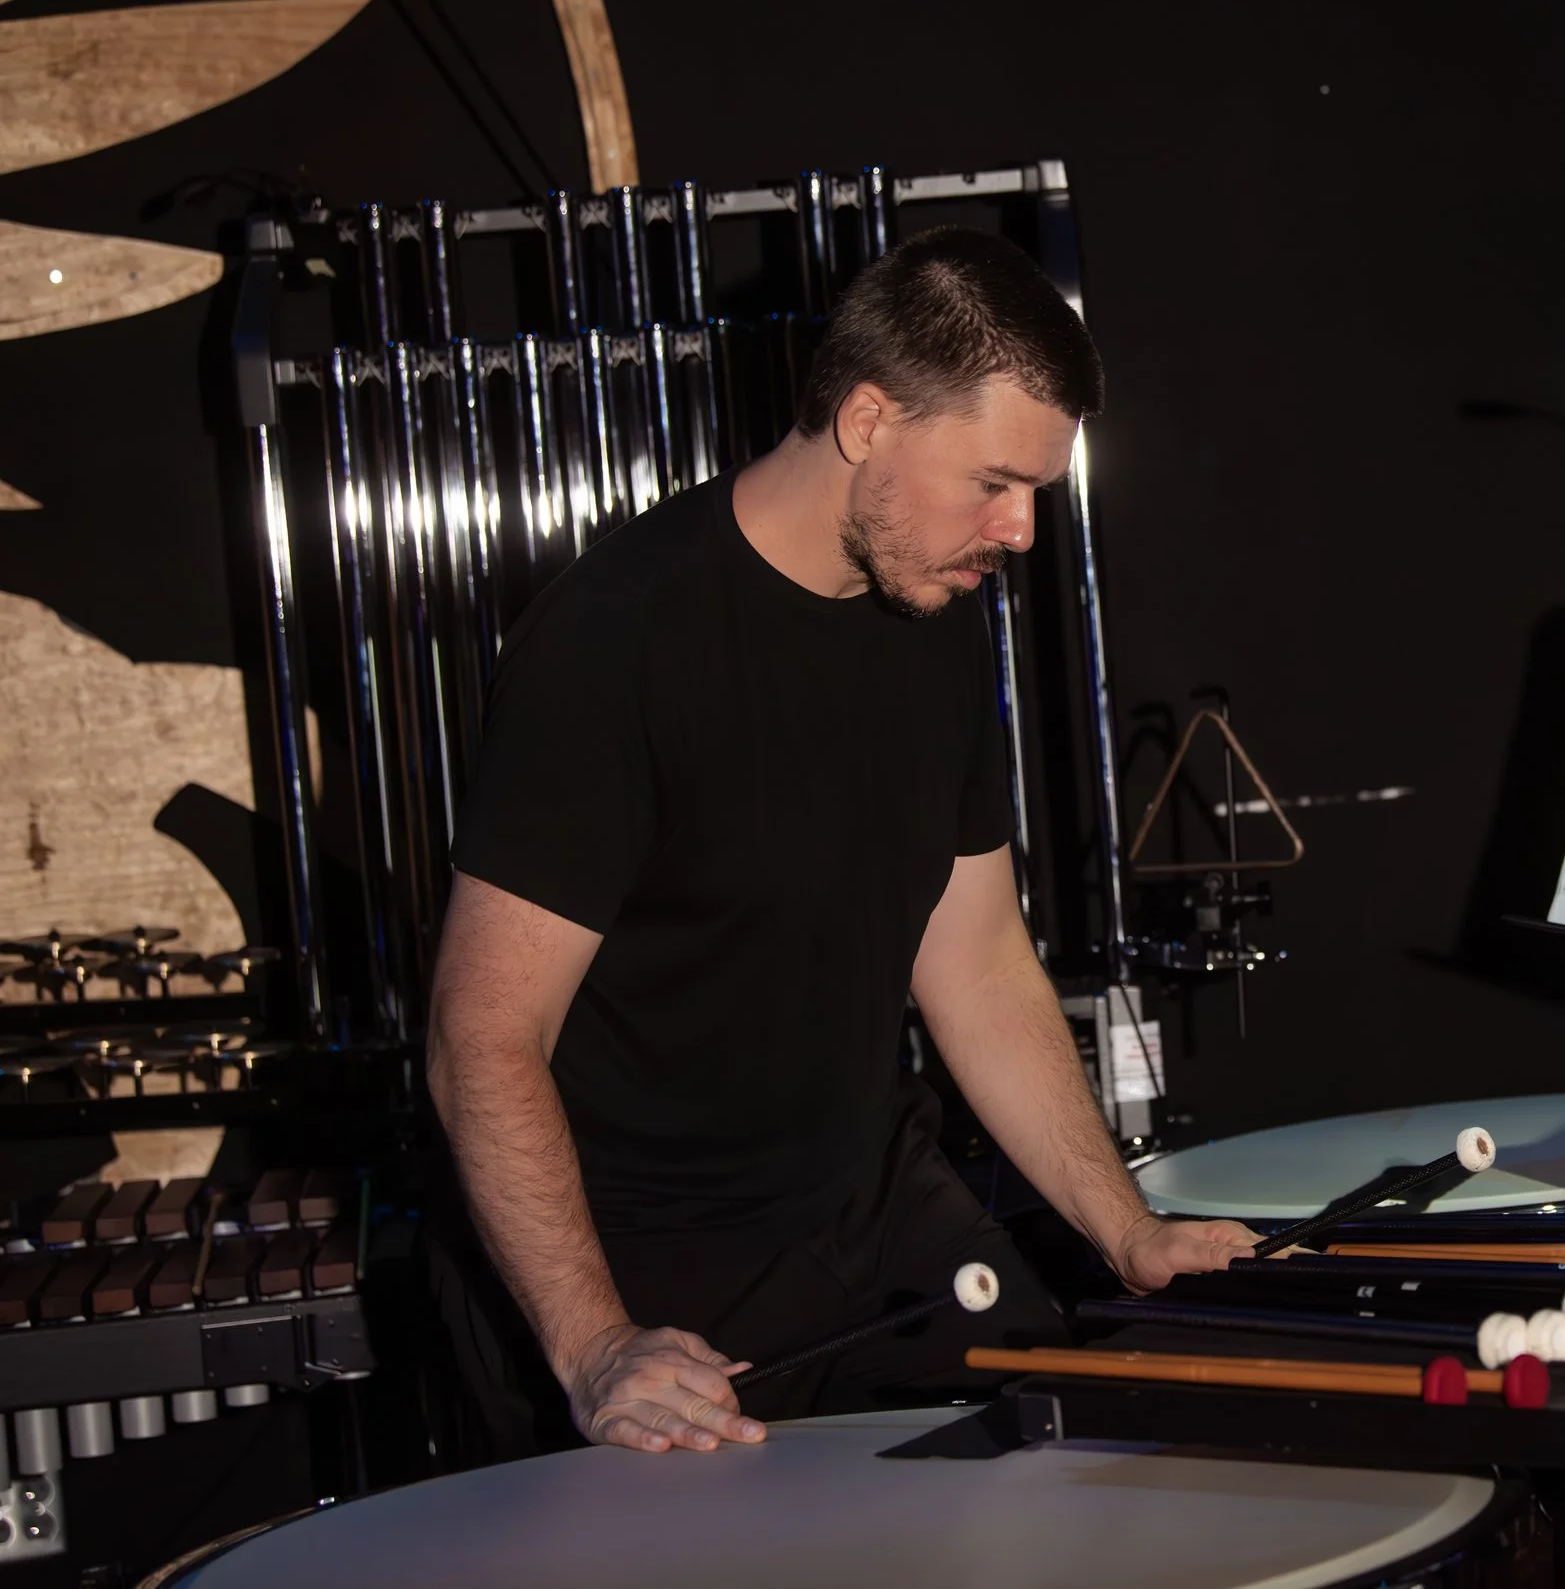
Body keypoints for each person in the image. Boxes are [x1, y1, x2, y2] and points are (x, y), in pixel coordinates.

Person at [425, 227, 1256, 1459]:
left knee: (1087, 1472)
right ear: (868, 419)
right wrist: (598, 1343)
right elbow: (479, 1040)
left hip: (871, 1208)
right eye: (993, 482)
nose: (1021, 531)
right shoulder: (617, 640)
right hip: (645, 1258)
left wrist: (1120, 1226)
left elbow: (973, 959)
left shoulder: (931, 605)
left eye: (1036, 490)